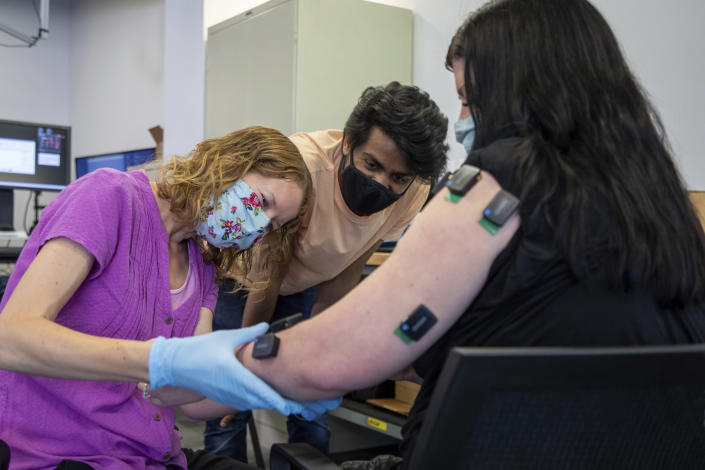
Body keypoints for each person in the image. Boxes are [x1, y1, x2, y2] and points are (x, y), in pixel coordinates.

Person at [158, 0, 705, 468]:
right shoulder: (657, 204)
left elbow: (342, 352)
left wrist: (211, 370)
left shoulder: (496, 185)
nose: (465, 116)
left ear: (516, 90)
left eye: (469, 97)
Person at [0, 126, 340, 470]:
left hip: (149, 453)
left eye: (271, 226)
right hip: (63, 452)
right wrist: (158, 359)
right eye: (264, 203)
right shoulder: (110, 196)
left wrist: (272, 382)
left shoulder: (204, 264)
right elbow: (10, 338)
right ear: (228, 164)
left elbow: (186, 399)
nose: (258, 227)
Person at [203, 81, 449, 460]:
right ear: (349, 142)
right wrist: (244, 362)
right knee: (229, 400)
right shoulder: (303, 168)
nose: (383, 183)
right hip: (244, 284)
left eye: (397, 177)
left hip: (305, 284)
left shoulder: (415, 188)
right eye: (372, 165)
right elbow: (267, 277)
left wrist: (322, 351)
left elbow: (351, 263)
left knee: (311, 401)